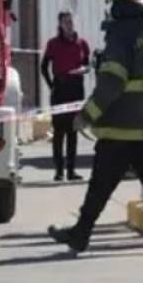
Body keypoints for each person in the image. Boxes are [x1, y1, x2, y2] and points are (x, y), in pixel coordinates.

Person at [48, 0, 143, 255]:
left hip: (122, 126)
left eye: (114, 2)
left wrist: (86, 115)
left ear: (123, 4)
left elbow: (111, 83)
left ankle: (81, 234)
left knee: (101, 182)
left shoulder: (121, 35)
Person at [40, 11, 91, 181]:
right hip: (60, 90)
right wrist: (51, 84)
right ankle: (59, 170)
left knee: (73, 131)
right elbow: (44, 66)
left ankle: (71, 170)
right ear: (60, 24)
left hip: (76, 90)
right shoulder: (53, 44)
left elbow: (87, 65)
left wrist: (83, 70)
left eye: (70, 21)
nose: (69, 25)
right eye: (65, 22)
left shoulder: (81, 43)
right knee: (59, 131)